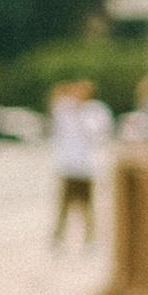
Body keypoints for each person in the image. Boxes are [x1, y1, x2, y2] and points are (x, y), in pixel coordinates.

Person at [48, 79, 112, 246]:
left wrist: (80, 115)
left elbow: (98, 134)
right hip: (67, 165)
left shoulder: (95, 111)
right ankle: (58, 238)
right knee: (63, 205)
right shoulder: (66, 109)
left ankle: (89, 239)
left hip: (86, 166)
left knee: (87, 206)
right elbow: (54, 106)